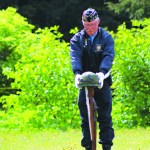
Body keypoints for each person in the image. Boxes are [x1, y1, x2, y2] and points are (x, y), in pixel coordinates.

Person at [70, 8, 115, 150]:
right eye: (87, 25)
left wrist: (102, 73)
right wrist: (77, 74)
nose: (90, 28)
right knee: (85, 116)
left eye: (93, 24)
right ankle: (88, 146)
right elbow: (75, 57)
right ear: (83, 23)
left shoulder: (106, 38)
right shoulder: (77, 39)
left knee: (105, 117)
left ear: (98, 22)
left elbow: (108, 56)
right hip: (83, 83)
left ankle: (106, 145)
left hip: (102, 81)